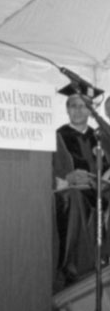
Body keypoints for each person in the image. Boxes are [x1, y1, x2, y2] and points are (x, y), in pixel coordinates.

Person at [53, 82, 110, 287]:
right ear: (67, 109)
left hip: (101, 192)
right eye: (73, 106)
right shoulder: (56, 136)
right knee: (72, 198)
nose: (77, 110)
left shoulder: (100, 136)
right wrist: (68, 179)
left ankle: (105, 262)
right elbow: (48, 173)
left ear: (90, 110)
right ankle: (71, 269)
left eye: (82, 106)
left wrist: (101, 180)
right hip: (71, 193)